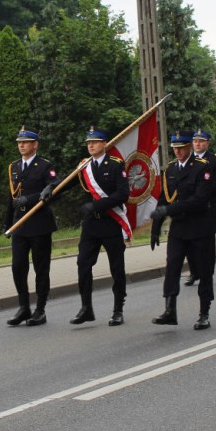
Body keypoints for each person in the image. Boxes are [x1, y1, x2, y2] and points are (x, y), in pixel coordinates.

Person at [150, 130, 216, 329]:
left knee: (204, 271)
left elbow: (198, 201)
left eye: (181, 148)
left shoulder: (202, 169)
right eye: (175, 148)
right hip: (179, 229)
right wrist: (156, 228)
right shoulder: (170, 170)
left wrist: (169, 209)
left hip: (200, 228)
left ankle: (204, 312)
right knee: (172, 267)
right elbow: (163, 199)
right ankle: (170, 310)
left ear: (189, 147)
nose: (178, 152)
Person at [72, 127, 130, 326]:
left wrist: (96, 204)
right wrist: (51, 189)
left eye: (95, 142)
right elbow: (68, 183)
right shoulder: (84, 166)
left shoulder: (115, 165)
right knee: (83, 265)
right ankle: (86, 308)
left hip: (111, 222)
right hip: (91, 225)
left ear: (105, 144)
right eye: (88, 142)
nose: (90, 145)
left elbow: (123, 195)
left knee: (116, 267)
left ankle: (118, 309)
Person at [3, 126, 58, 326]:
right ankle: (23, 307)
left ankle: (40, 310)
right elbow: (12, 196)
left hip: (39, 225)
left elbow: (53, 189)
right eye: (19, 142)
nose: (21, 145)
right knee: (18, 267)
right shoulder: (14, 167)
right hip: (20, 225)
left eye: (25, 142)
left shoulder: (44, 166)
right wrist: (7, 222)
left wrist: (30, 199)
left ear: (35, 144)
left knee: (41, 269)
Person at [182, 127, 216, 286]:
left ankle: (208, 273)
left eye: (201, 141)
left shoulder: (215, 160)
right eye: (195, 141)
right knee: (188, 244)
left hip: (207, 207)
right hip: (188, 208)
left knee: (207, 245)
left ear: (207, 143)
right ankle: (194, 273)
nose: (197, 144)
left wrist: (201, 190)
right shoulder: (187, 159)